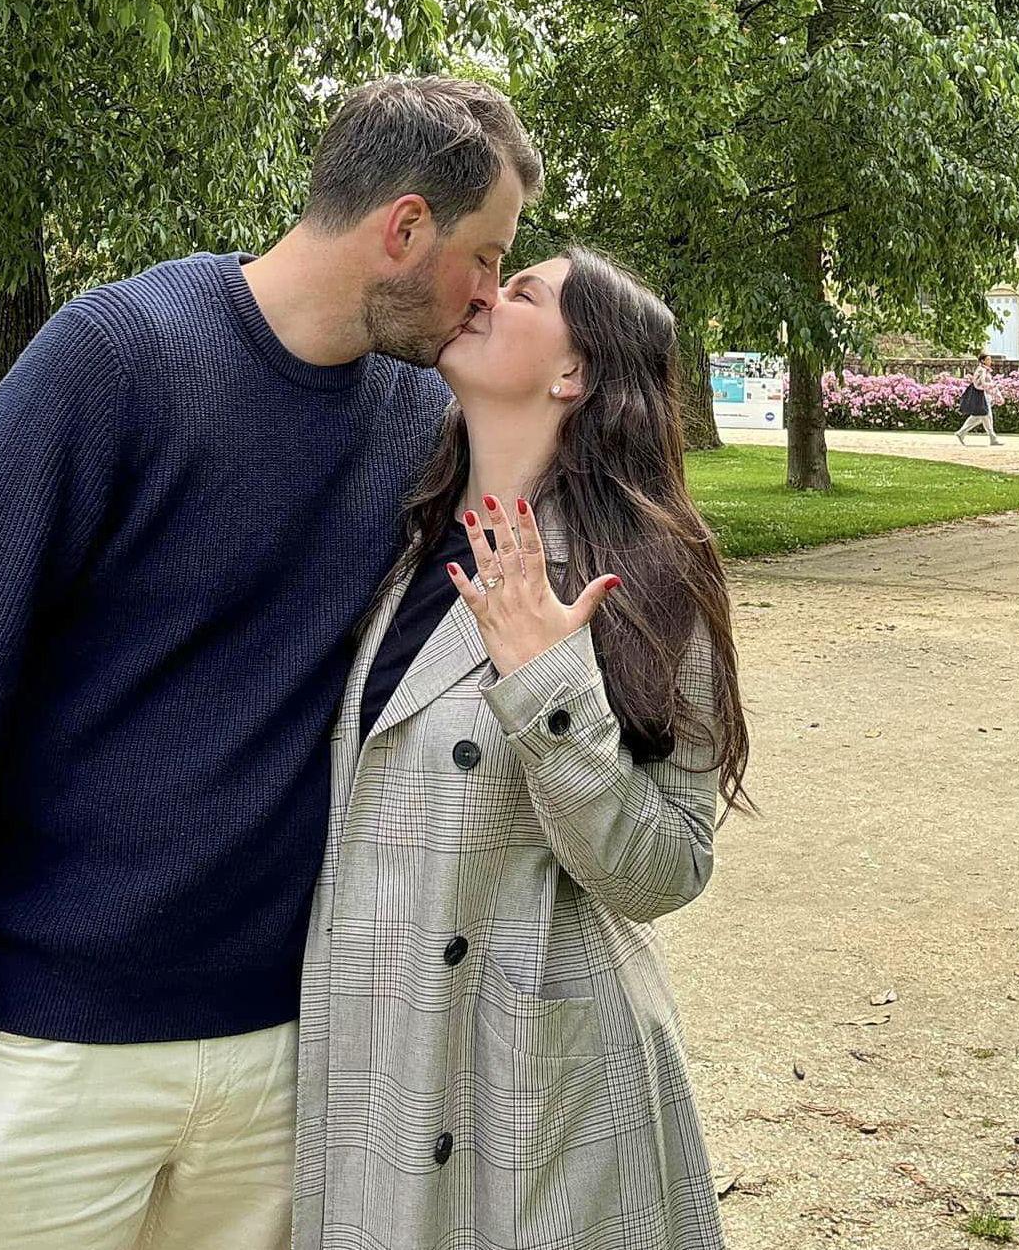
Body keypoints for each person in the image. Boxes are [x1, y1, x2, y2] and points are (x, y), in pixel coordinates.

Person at [0, 75, 543, 1250]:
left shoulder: (417, 422)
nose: (487, 294)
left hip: (281, 1050)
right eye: (485, 254)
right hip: (53, 1050)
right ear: (404, 227)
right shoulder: (115, 359)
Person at [294, 247, 751, 1249]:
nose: (486, 295)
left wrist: (552, 692)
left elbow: (669, 865)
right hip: (383, 1062)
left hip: (543, 1096)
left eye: (525, 291)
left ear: (572, 372)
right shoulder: (399, 539)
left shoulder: (644, 569)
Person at [955, 352, 1004, 446]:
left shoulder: (984, 370)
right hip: (981, 396)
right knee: (985, 416)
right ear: (983, 361)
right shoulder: (982, 370)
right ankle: (992, 438)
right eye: (988, 359)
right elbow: (981, 384)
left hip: (983, 395)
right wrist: (994, 387)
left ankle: (961, 433)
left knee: (980, 417)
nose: (990, 361)